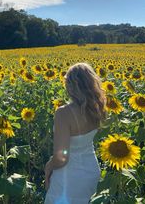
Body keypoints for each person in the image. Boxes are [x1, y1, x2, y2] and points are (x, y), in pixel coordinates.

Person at [44, 62, 107, 204]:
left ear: (71, 85)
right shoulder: (97, 108)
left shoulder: (63, 113)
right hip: (91, 170)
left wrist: (48, 167)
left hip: (69, 178)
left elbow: (61, 158)